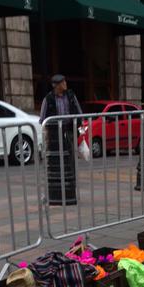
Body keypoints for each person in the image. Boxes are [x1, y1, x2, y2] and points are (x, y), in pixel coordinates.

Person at [40, 74, 82, 204]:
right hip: (54, 135)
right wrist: (48, 133)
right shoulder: (48, 99)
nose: (65, 84)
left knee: (70, 161)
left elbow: (79, 112)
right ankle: (53, 191)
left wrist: (78, 126)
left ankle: (71, 189)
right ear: (56, 85)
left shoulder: (71, 96)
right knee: (54, 163)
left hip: (69, 131)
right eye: (63, 82)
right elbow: (42, 119)